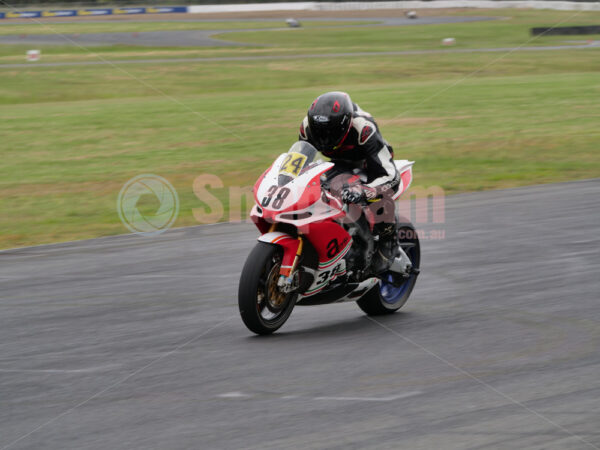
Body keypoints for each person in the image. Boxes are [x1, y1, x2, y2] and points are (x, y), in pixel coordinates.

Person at [298, 91, 400, 270]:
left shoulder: (364, 128)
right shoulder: (307, 127)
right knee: (315, 186)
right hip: (337, 163)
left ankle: (388, 240)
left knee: (376, 193)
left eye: (330, 132)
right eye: (319, 132)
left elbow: (391, 176)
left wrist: (364, 191)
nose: (324, 138)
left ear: (345, 124)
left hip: (370, 162)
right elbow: (299, 163)